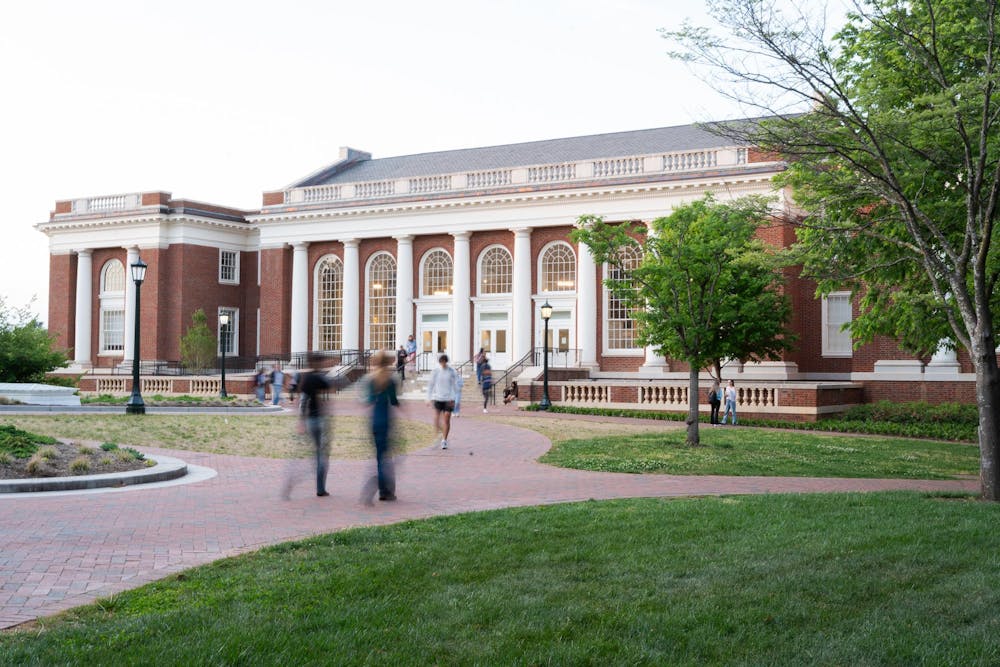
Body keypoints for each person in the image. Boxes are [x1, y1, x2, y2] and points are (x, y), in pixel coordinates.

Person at [291, 354, 344, 497]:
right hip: (321, 419)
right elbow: (334, 386)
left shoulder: (306, 379)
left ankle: (301, 479)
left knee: (316, 452)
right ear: (318, 363)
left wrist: (301, 421)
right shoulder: (320, 377)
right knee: (322, 455)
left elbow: (303, 401)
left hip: (309, 420)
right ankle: (320, 488)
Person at [362, 351, 400, 503]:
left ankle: (384, 489)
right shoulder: (390, 380)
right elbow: (394, 401)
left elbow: (368, 400)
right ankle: (382, 489)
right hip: (386, 420)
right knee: (386, 458)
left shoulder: (371, 380)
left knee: (380, 457)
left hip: (375, 420)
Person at [426, 354, 460, 449]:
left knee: (446, 418)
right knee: (436, 418)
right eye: (441, 361)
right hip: (438, 398)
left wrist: (454, 399)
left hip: (448, 399)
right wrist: (428, 398)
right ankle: (437, 436)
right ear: (439, 362)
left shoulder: (451, 372)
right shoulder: (436, 371)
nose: (443, 363)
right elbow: (431, 385)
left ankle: (444, 440)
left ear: (446, 361)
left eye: (444, 361)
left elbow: (455, 386)